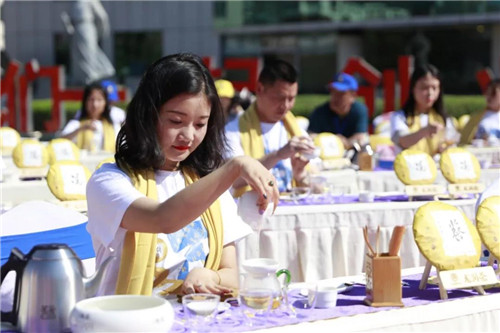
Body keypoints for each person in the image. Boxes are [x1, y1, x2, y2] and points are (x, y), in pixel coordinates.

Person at [86, 53, 279, 297]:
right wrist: (233, 168)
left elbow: (232, 276)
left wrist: (211, 276)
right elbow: (162, 219)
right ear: (148, 115)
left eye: (200, 124)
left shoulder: (207, 185)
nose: (188, 136)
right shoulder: (109, 182)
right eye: (176, 121)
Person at [224, 58, 315, 195]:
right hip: (250, 212)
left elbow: (318, 188)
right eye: (279, 97)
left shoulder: (296, 131)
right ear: (260, 89)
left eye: (291, 99)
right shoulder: (231, 131)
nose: (285, 106)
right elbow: (234, 180)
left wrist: (300, 175)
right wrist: (278, 155)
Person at [390, 64, 457, 156]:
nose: (430, 93)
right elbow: (402, 141)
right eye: (424, 88)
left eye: (434, 88)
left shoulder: (444, 119)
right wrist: (425, 132)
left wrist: (444, 148)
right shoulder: (400, 116)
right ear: (413, 89)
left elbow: (452, 144)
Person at [308, 72, 369, 149]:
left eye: (341, 93)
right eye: (333, 92)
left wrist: (345, 143)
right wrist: (335, 140)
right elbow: (311, 136)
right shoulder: (319, 112)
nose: (335, 97)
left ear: (353, 96)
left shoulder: (359, 110)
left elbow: (360, 137)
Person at [60, 82, 120, 152]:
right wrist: (81, 129)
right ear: (85, 102)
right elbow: (61, 141)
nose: (95, 104)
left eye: (99, 100)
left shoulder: (113, 126)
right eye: (91, 100)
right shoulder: (76, 124)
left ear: (105, 103)